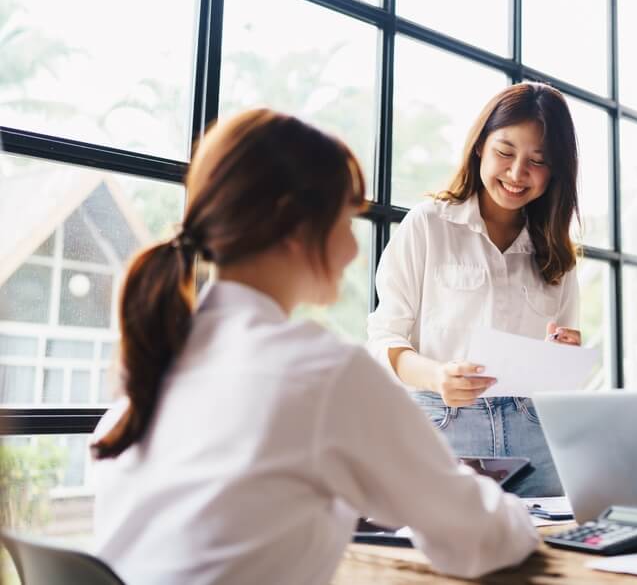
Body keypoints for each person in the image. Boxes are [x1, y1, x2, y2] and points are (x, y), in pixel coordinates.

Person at [89, 109, 538, 585]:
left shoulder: (157, 362)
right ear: (294, 224)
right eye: (347, 221)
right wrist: (526, 520)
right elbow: (479, 537)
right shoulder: (322, 372)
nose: (352, 250)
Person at [367, 82, 582, 497]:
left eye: (538, 161)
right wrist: (436, 376)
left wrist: (564, 353)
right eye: (505, 152)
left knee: (552, 553)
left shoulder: (557, 252)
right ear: (480, 145)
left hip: (536, 431)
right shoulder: (428, 225)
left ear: (555, 171)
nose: (518, 174)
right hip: (441, 424)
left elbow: (561, 355)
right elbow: (384, 339)